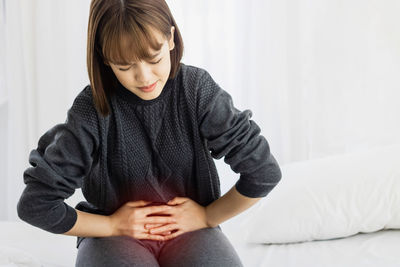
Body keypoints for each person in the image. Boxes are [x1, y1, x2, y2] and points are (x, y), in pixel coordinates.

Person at [16, 0, 282, 266]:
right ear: (105, 58)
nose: (144, 77)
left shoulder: (197, 91)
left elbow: (263, 172)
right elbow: (36, 205)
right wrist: (111, 225)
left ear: (171, 39)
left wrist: (207, 217)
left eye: (154, 59)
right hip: (113, 238)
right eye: (124, 66)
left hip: (191, 232)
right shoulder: (90, 111)